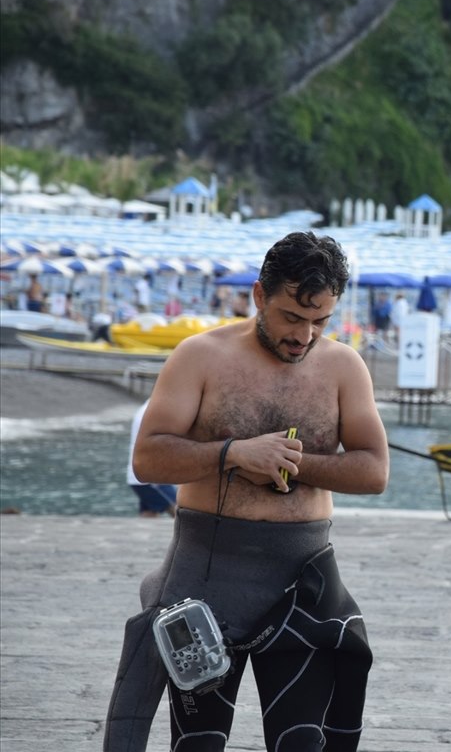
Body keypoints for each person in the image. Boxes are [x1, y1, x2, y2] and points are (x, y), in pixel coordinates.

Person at [104, 231, 390, 751]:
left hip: (303, 579)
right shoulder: (200, 357)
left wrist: (293, 465)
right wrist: (232, 453)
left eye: (320, 320)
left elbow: (374, 472)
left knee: (304, 742)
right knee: (198, 744)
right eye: (291, 317)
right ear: (259, 295)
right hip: (206, 572)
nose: (304, 336)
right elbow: (147, 459)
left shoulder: (344, 367)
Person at [126, 399, 177, 518]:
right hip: (151, 479)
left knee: (148, 514)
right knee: (181, 512)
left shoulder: (147, 408)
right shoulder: (155, 411)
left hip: (139, 476)